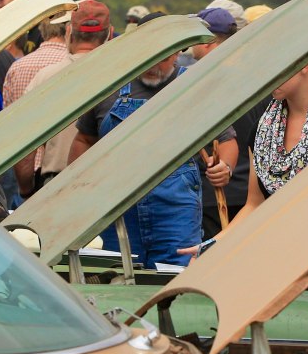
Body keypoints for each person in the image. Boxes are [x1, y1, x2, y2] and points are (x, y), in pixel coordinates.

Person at [182, 49, 308, 290]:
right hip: (278, 272)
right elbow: (255, 204)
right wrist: (215, 244)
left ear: (304, 64)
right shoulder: (264, 127)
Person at [71, 21, 235, 267]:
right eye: (148, 56)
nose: (153, 66)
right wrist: (76, 190)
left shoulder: (194, 85)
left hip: (175, 215)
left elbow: (226, 140)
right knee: (117, 280)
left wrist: (225, 167)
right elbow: (84, 139)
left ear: (178, 52)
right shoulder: (110, 88)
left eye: (162, 58)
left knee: (174, 284)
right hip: (116, 213)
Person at [16, 1, 114, 199]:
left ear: (69, 31)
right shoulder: (120, 76)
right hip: (106, 186)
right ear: (109, 34)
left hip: (55, 185)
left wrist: (26, 189)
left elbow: (23, 147)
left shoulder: (44, 78)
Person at [185, 6, 261, 238]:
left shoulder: (196, 80)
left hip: (213, 189)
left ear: (207, 40)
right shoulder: (260, 75)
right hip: (254, 189)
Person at [2, 13, 70, 109]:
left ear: (42, 30)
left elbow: (6, 112)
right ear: (69, 29)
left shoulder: (16, 67)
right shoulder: (72, 62)